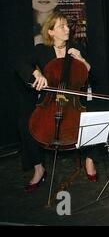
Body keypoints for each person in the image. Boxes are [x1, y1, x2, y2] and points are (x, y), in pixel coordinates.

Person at [16, 11, 97, 192]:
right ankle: (39, 168)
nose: (67, 29)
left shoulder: (75, 48)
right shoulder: (41, 49)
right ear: (51, 32)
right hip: (49, 99)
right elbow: (21, 63)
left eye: (67, 26)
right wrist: (36, 73)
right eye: (62, 27)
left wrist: (82, 59)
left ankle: (89, 160)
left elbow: (89, 72)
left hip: (73, 99)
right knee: (25, 123)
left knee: (92, 119)